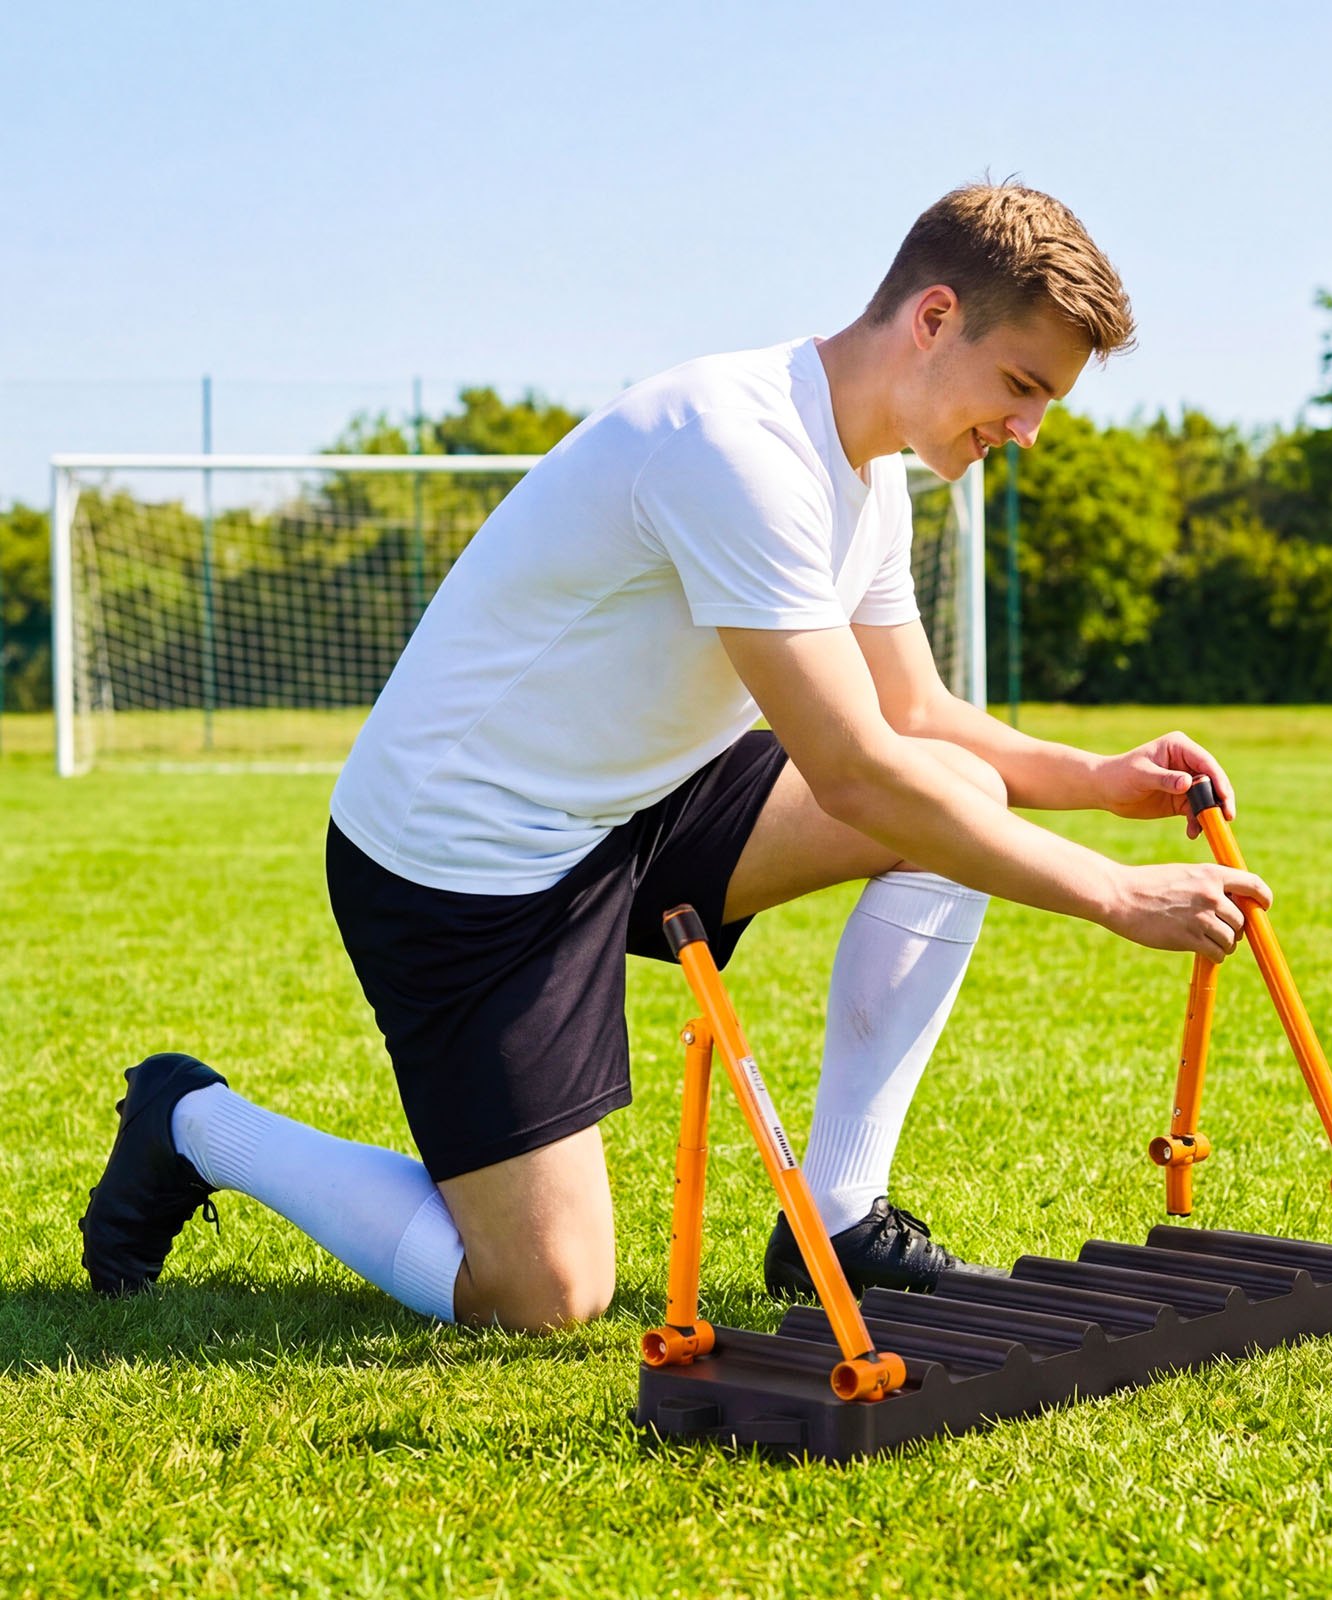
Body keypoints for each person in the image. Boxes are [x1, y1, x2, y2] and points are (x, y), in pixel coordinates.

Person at [80, 181, 1270, 1332]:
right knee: (545, 1292)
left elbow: (916, 713)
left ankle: (838, 1218)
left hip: (636, 804)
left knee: (956, 789)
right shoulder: (736, 446)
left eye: (1045, 401)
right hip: (464, 860)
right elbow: (856, 772)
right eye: (1019, 386)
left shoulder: (872, 473)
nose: (1025, 428)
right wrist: (1113, 895)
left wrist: (1098, 778)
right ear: (934, 318)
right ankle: (194, 1121)